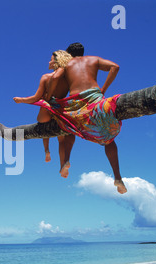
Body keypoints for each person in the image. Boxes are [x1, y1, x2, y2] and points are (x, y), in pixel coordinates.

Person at [43, 44, 127, 194]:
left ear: (68, 54)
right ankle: (118, 177)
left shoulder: (66, 63)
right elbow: (115, 67)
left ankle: (66, 160)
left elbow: (55, 77)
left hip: (75, 105)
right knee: (109, 140)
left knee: (68, 126)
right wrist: (103, 90)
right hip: (95, 100)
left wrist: (48, 97)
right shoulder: (94, 59)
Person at [13, 50, 75, 176]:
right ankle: (64, 163)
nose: (49, 61)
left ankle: (47, 151)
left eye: (51, 59)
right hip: (61, 109)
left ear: (57, 62)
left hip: (47, 109)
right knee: (61, 140)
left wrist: (21, 100)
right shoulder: (69, 79)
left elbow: (36, 98)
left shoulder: (46, 77)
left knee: (43, 127)